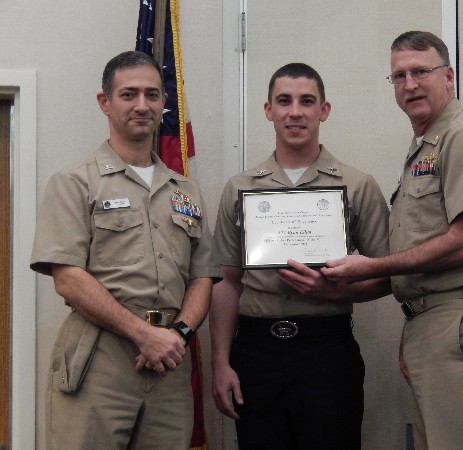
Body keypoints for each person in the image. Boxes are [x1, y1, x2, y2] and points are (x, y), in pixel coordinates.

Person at [321, 31, 463, 450]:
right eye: (399, 76)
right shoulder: (426, 144)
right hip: (428, 322)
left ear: (449, 76)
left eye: (421, 71)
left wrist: (371, 266)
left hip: (454, 320)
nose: (409, 85)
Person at [30, 51, 220, 450]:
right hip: (100, 357)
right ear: (105, 103)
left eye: (152, 94)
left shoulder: (186, 192)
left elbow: (202, 277)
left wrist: (179, 335)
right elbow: (67, 279)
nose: (141, 105)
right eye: (128, 94)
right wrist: (142, 334)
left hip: (169, 361)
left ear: (164, 103)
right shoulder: (75, 183)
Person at [209, 62, 390, 449]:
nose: (295, 112)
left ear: (323, 110)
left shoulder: (357, 185)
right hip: (256, 351)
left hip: (327, 350)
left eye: (307, 101)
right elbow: (226, 281)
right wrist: (220, 362)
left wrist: (335, 292)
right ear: (268, 109)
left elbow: (389, 275)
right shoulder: (240, 188)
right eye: (284, 101)